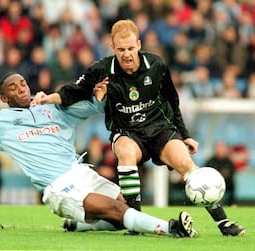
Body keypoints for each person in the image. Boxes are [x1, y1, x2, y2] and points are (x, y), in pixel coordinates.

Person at [0, 72, 197, 238]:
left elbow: (90, 108)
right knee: (119, 212)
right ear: (4, 98)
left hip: (82, 172)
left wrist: (98, 96)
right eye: (13, 88)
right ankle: (170, 228)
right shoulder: (0, 124)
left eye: (22, 83)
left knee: (125, 209)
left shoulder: (52, 108)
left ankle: (79, 225)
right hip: (58, 187)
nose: (22, 88)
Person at [32, 19, 245, 237]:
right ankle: (136, 222)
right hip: (128, 133)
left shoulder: (157, 65)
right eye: (121, 49)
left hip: (160, 129)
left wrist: (185, 135)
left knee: (186, 164)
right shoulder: (102, 69)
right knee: (125, 151)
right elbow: (74, 91)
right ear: (113, 47)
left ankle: (224, 223)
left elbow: (173, 102)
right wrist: (48, 98)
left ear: (139, 44)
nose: (126, 54)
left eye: (131, 48)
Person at [205, 141, 236, 206]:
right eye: (218, 147)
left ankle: (231, 204)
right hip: (212, 184)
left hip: (226, 183)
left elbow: (232, 172)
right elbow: (205, 172)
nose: (220, 149)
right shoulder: (210, 161)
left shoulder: (229, 161)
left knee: (232, 184)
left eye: (222, 147)